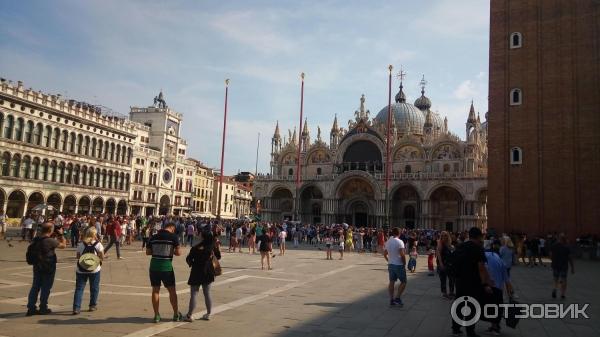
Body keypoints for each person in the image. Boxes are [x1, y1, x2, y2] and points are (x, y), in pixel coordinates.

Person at [451, 227, 493, 337]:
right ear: (479, 236)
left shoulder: (461, 246)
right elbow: (481, 268)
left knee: (459, 305)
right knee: (472, 306)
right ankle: (470, 332)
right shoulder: (478, 248)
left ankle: (455, 328)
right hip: (473, 282)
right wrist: (486, 283)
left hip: (459, 280)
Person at [26, 222, 67, 316]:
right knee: (46, 287)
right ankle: (43, 307)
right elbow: (63, 245)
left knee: (35, 286)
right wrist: (61, 234)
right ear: (50, 230)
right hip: (48, 266)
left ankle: (31, 308)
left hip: (37, 265)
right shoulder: (50, 241)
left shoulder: (35, 239)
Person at [147, 222, 182, 323]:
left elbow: (148, 252)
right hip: (166, 267)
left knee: (155, 290)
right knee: (172, 291)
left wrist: (158, 251)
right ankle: (176, 314)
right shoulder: (173, 237)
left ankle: (156, 315)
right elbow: (179, 253)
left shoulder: (153, 237)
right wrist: (171, 251)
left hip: (154, 267)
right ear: (172, 227)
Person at [184, 228, 221, 321]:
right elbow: (219, 256)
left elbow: (188, 259)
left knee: (194, 294)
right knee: (207, 293)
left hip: (196, 271)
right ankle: (208, 314)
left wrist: (192, 264)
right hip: (208, 271)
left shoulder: (195, 247)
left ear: (203, 237)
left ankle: (189, 315)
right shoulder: (212, 246)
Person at [72, 227, 104, 314]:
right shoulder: (98, 244)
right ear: (94, 234)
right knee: (94, 288)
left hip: (81, 269)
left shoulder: (81, 244)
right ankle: (92, 306)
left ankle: (76, 307)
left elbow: (78, 256)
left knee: (79, 288)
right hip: (94, 269)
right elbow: (102, 257)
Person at [484, 249, 513, 336]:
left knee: (491, 308)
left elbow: (484, 272)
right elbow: (507, 280)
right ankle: (495, 326)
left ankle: (495, 328)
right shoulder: (500, 261)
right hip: (499, 289)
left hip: (491, 287)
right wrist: (510, 294)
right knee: (496, 308)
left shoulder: (486, 258)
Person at [383, 227, 407, 307]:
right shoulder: (400, 242)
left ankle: (391, 299)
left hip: (391, 264)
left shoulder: (388, 242)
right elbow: (402, 254)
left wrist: (389, 260)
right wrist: (404, 263)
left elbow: (384, 254)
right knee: (403, 282)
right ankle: (397, 298)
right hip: (399, 265)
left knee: (392, 282)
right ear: (399, 233)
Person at [550, 234, 574, 300]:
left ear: (559, 239)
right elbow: (570, 258)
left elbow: (551, 255)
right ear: (564, 240)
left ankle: (555, 288)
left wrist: (553, 262)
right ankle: (562, 294)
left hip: (555, 265)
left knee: (556, 279)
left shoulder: (554, 246)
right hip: (564, 266)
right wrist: (572, 267)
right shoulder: (567, 247)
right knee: (564, 280)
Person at [436, 231, 455, 299]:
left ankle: (451, 292)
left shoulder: (449, 244)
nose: (444, 236)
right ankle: (444, 293)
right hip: (443, 264)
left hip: (449, 264)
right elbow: (438, 254)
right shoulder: (440, 244)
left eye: (446, 235)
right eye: (443, 235)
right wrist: (441, 264)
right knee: (443, 279)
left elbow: (452, 252)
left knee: (451, 278)